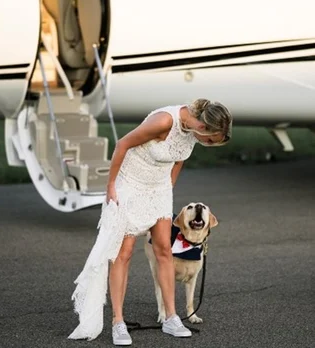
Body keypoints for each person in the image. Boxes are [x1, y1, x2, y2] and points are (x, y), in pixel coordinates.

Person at [68, 99, 232, 345]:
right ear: (203, 124)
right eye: (210, 140)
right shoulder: (165, 121)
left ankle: (171, 318)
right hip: (130, 184)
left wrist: (168, 187)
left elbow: (179, 158)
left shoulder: (193, 132)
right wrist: (111, 185)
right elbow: (122, 144)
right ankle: (118, 322)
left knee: (164, 249)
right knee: (124, 252)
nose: (208, 144)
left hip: (158, 188)